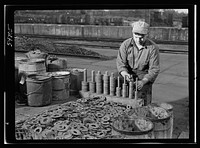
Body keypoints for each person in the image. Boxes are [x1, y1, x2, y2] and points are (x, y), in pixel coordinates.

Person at [116, 20, 160, 105]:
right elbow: (121, 64)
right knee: (114, 82)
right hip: (128, 73)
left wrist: (143, 81)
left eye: (142, 37)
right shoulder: (125, 44)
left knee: (140, 96)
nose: (138, 40)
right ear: (132, 34)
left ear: (147, 35)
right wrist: (125, 74)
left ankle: (142, 111)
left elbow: (154, 69)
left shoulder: (153, 48)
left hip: (144, 75)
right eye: (136, 37)